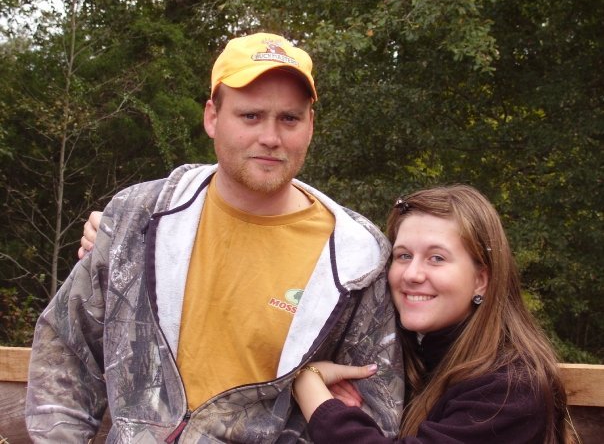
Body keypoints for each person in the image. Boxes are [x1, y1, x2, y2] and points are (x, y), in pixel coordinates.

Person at [25, 32, 405, 442]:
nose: (271, 137)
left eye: (289, 119)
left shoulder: (355, 257)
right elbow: (66, 351)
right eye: (251, 116)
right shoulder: (139, 218)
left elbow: (376, 410)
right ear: (212, 117)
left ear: (310, 125)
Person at [291, 185, 574, 443]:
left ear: (481, 280)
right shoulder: (403, 355)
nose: (412, 274)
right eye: (403, 256)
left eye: (436, 258)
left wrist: (309, 387)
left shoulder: (511, 388)